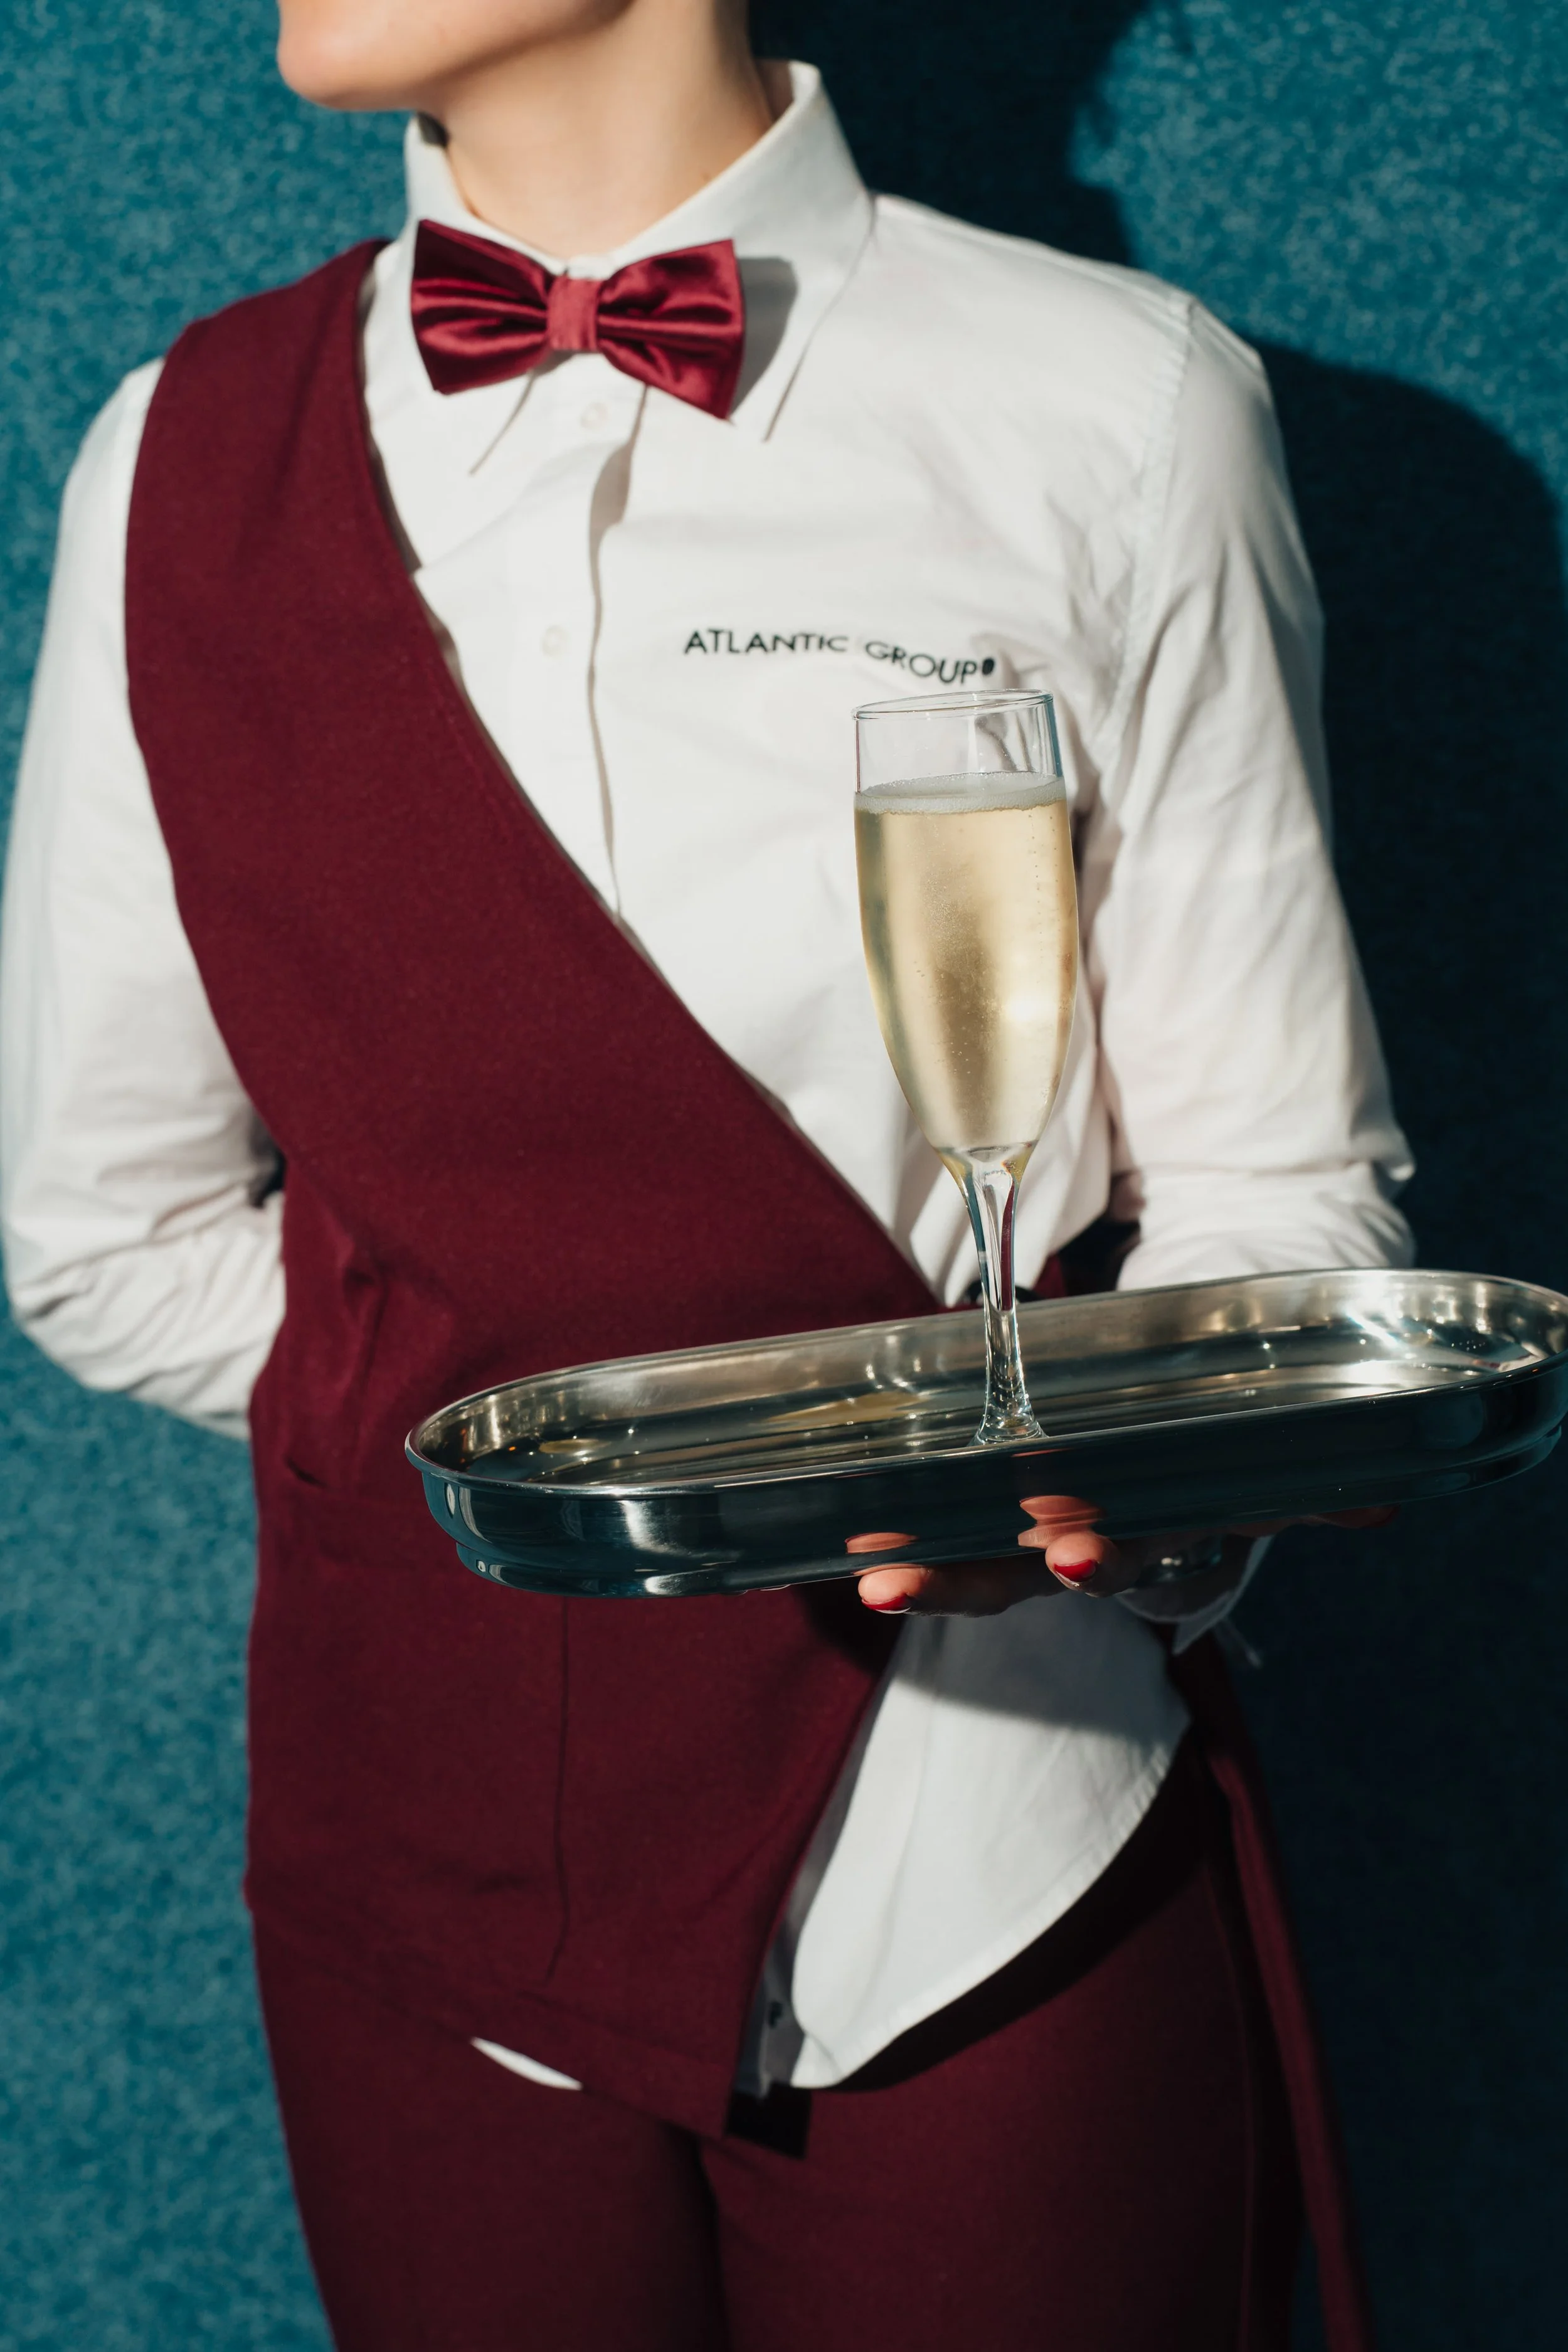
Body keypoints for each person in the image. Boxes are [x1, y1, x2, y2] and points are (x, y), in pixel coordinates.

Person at [0, 3, 1413, 2346]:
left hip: (984, 1849)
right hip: (417, 1887)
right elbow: (103, 1236)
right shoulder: (170, 454)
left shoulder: (1117, 404)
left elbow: (1286, 1207)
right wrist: (535, 1462)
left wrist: (1109, 1503)